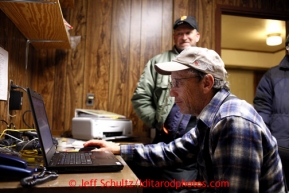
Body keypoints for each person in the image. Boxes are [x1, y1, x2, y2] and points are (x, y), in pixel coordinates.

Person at [84, 47, 285, 193]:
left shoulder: (233, 122)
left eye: (177, 83)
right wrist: (116, 149)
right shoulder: (211, 118)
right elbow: (172, 151)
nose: (171, 93)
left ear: (206, 83)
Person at [130, 16, 200, 193]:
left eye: (188, 33)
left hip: (195, 144)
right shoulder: (158, 62)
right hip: (165, 139)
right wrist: (157, 121)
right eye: (179, 33)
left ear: (197, 35)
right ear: (174, 36)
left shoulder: (207, 61)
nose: (184, 37)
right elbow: (141, 97)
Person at [253, 35, 289, 148]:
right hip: (280, 147)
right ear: (287, 47)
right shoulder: (272, 76)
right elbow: (262, 110)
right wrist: (266, 140)